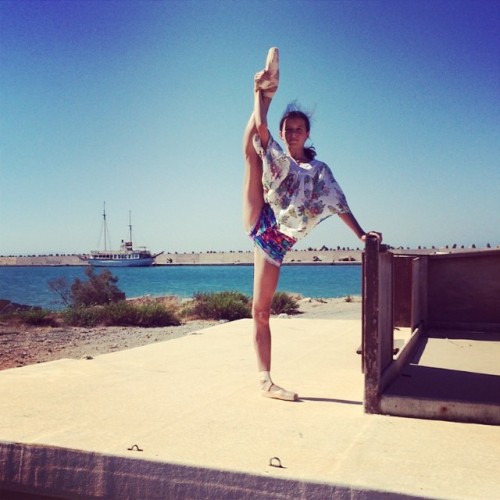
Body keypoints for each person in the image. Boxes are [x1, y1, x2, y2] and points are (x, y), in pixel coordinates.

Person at [242, 48, 381, 401]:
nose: (291, 134)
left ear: (307, 134)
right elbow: (262, 130)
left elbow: (339, 204)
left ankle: (265, 382)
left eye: (298, 130)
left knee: (261, 309)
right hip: (262, 218)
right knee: (251, 151)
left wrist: (362, 235)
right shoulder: (279, 160)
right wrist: (259, 96)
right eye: (287, 130)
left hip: (278, 243)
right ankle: (262, 90)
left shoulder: (319, 172)